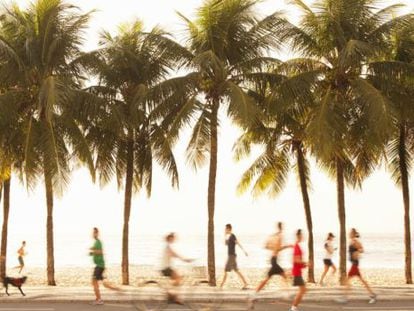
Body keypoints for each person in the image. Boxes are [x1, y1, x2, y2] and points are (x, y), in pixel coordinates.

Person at [249, 222, 292, 307]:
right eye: (282, 227)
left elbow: (267, 246)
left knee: (268, 279)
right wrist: (288, 246)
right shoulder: (279, 236)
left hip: (273, 260)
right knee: (283, 276)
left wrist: (275, 247)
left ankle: (254, 294)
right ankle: (286, 294)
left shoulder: (275, 236)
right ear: (281, 227)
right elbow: (278, 248)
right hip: (274, 261)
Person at [338, 228, 377, 304]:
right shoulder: (352, 241)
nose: (349, 234)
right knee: (361, 281)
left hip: (355, 264)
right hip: (354, 264)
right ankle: (372, 295)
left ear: (353, 234)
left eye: (350, 233)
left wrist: (357, 252)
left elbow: (362, 250)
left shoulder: (355, 242)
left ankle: (345, 297)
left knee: (348, 280)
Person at [161, 232, 193, 304]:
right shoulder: (168, 247)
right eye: (173, 238)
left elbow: (174, 255)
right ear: (170, 238)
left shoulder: (168, 246)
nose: (174, 239)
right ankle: (175, 297)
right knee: (178, 278)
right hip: (166, 268)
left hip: (166, 267)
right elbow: (176, 255)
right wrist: (186, 260)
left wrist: (184, 259)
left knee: (177, 279)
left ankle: (171, 294)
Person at [89, 227, 119, 305]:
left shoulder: (98, 242)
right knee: (103, 283)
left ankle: (99, 300)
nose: (93, 234)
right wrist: (92, 252)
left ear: (97, 233)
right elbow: (97, 252)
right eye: (93, 232)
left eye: (95, 232)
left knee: (94, 282)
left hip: (99, 266)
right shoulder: (96, 242)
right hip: (99, 265)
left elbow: (100, 251)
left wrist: (93, 251)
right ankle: (117, 290)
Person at [219, 224, 248, 289]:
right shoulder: (229, 237)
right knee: (236, 270)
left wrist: (244, 251)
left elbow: (238, 243)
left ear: (229, 229)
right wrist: (225, 235)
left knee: (226, 270)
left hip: (231, 256)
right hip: (231, 256)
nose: (225, 230)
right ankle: (245, 283)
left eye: (225, 229)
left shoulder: (233, 236)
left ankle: (221, 286)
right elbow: (225, 244)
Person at [289, 229, 308, 311]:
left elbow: (297, 260)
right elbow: (295, 260)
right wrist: (305, 262)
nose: (303, 236)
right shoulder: (296, 246)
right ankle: (293, 308)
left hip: (297, 271)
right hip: (296, 272)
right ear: (299, 236)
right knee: (303, 290)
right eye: (302, 235)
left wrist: (304, 265)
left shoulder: (297, 246)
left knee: (302, 290)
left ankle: (294, 308)